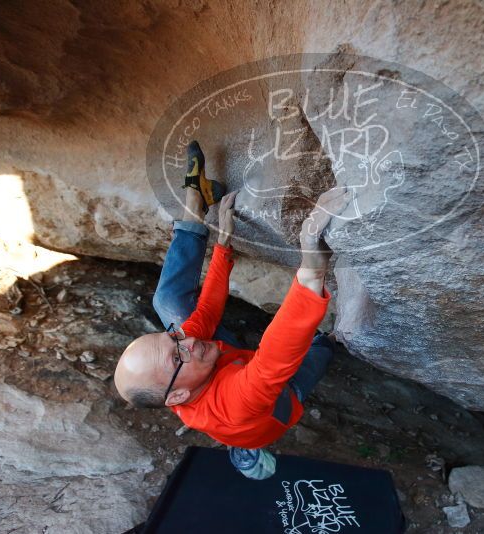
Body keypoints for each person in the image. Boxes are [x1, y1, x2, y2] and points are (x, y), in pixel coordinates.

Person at [114, 141, 351, 479]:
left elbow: (206, 314)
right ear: (178, 395)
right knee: (320, 348)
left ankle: (195, 206)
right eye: (177, 354)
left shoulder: (183, 356)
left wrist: (223, 247)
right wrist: (310, 269)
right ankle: (246, 447)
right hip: (275, 399)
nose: (187, 340)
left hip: (230, 369)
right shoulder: (230, 405)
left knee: (169, 306)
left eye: (174, 337)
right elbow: (270, 364)